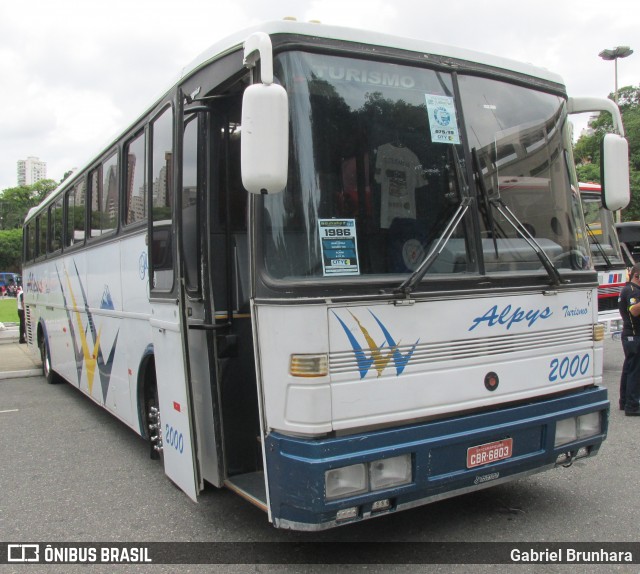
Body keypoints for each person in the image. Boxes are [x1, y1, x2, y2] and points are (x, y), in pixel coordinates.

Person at [618, 262, 640, 416]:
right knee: (635, 371)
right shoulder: (632, 290)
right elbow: (634, 310)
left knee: (628, 368)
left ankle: (624, 401)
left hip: (629, 335)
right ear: (637, 275)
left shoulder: (627, 289)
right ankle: (632, 406)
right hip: (634, 335)